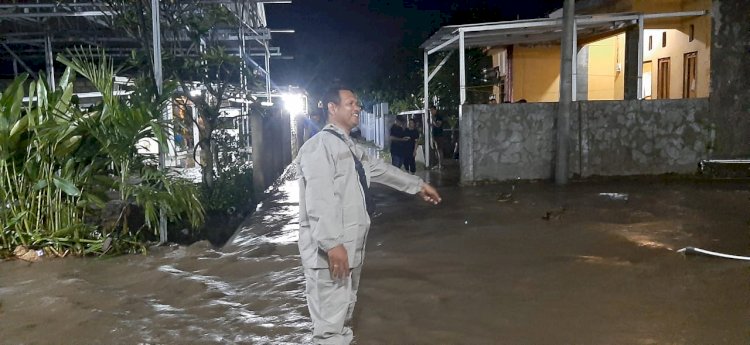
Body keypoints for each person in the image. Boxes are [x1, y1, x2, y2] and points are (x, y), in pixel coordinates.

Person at [296, 86, 442, 344]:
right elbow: (319, 200)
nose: (357, 108)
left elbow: (382, 170)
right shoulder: (319, 147)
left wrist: (418, 186)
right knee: (330, 327)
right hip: (332, 252)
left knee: (342, 316)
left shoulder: (350, 147)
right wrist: (332, 244)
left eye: (358, 104)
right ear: (332, 108)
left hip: (350, 249)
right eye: (351, 103)